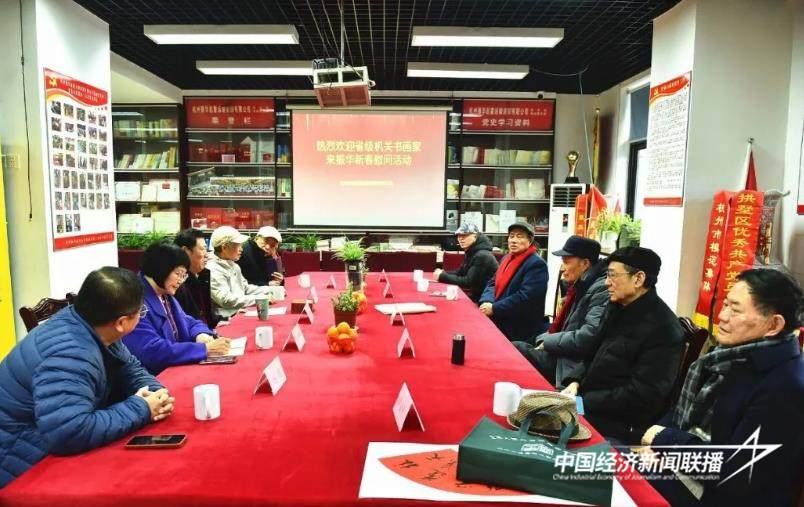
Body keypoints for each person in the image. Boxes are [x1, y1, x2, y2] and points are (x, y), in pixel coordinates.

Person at [642, 269, 804, 506]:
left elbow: (736, 470)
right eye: (725, 304)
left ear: (774, 324)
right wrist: (657, 442)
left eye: (735, 310)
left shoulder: (785, 385)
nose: (722, 316)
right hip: (684, 468)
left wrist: (663, 440)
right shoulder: (728, 356)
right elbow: (679, 412)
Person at [0, 267, 174, 487]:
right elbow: (69, 432)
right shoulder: (70, 354)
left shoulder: (92, 324)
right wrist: (141, 408)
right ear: (121, 323)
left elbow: (129, 366)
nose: (141, 316)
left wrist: (155, 394)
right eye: (141, 312)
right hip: (21, 457)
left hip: (48, 436)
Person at [561, 246, 684, 444]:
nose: (606, 282)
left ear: (638, 279)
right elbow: (592, 352)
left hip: (621, 422)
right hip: (589, 401)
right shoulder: (617, 305)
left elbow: (642, 396)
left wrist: (583, 401)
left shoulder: (664, 329)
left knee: (550, 425)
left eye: (612, 275)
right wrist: (575, 381)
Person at [513, 236, 608, 388]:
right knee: (516, 344)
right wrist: (545, 339)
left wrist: (547, 342)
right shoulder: (582, 284)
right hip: (564, 351)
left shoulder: (601, 289)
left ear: (585, 263)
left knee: (516, 350)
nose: (562, 268)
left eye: (566, 262)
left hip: (571, 363)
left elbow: (588, 336)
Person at [123, 243, 231, 374]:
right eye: (178, 274)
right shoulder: (134, 301)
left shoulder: (164, 292)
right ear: (161, 269)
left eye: (184, 275)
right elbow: (151, 350)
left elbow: (188, 321)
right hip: (152, 377)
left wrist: (200, 334)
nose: (181, 280)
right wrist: (204, 349)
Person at [478, 222, 549, 342]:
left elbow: (525, 297)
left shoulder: (536, 264)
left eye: (519, 236)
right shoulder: (506, 258)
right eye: (511, 236)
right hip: (499, 316)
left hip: (518, 327)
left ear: (530, 240)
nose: (513, 240)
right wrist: (487, 301)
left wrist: (494, 308)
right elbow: (493, 283)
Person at [207, 225, 276, 320]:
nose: (241, 249)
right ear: (224, 247)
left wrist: (270, 290)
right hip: (225, 320)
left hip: (239, 312)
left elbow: (245, 288)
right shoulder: (212, 269)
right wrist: (259, 299)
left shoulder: (234, 265)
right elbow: (226, 300)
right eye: (238, 245)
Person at [433, 223, 498, 303]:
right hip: (477, 295)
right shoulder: (472, 251)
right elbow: (461, 272)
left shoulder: (482, 256)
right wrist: (443, 273)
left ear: (475, 236)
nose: (461, 239)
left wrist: (442, 276)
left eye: (464, 236)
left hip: (484, 301)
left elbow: (468, 282)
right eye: (459, 236)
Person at [174, 228, 218, 328]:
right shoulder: (177, 282)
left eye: (206, 249)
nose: (207, 255)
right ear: (185, 251)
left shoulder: (202, 274)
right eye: (202, 249)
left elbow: (208, 315)